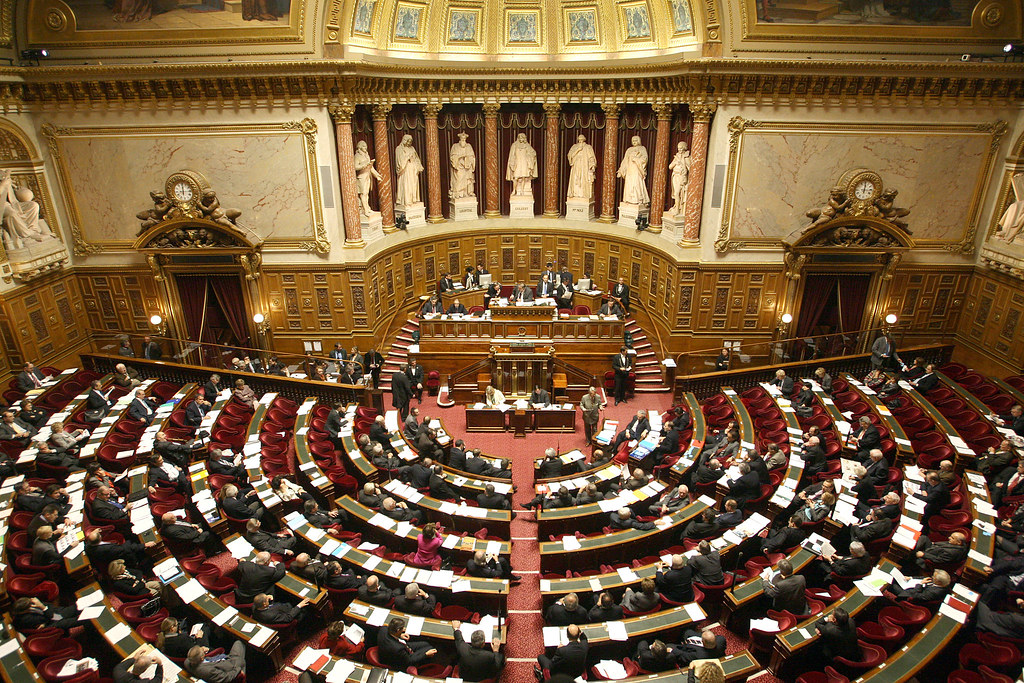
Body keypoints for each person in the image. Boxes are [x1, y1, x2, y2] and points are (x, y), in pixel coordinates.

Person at [617, 135, 649, 205]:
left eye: (636, 140)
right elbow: (625, 160)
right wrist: (621, 170)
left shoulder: (642, 149)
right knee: (629, 184)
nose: (634, 142)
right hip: (630, 170)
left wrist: (636, 159)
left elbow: (645, 159)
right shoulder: (629, 150)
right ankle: (629, 199)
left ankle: (638, 199)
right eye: (633, 141)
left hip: (637, 169)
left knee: (636, 183)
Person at [395, 134, 424, 209]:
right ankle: (407, 200)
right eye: (408, 141)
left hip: (413, 169)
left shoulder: (412, 148)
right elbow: (399, 161)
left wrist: (418, 166)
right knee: (407, 184)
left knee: (414, 184)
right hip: (405, 170)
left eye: (410, 141)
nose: (409, 143)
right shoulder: (399, 149)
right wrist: (408, 157)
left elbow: (416, 158)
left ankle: (414, 199)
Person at [567, 134, 597, 201]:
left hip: (584, 166)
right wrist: (578, 150)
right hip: (576, 165)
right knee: (575, 179)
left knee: (583, 179)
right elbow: (570, 155)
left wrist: (592, 165)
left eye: (582, 140)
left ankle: (583, 194)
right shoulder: (574, 146)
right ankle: (574, 193)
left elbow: (591, 157)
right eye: (579, 140)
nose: (580, 141)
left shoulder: (588, 147)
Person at [449, 132, 476, 200]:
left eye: (464, 139)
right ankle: (458, 192)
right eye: (462, 139)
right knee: (459, 178)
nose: (463, 141)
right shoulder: (455, 146)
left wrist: (469, 160)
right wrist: (459, 157)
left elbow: (472, 156)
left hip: (467, 166)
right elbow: (452, 156)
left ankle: (468, 192)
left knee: (468, 180)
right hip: (459, 166)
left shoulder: (469, 146)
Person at [669, 140, 691, 215]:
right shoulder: (677, 156)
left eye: (681, 149)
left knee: (678, 192)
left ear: (684, 148)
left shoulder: (686, 157)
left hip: (681, 177)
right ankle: (676, 207)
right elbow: (670, 166)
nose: (680, 150)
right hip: (675, 176)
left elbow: (690, 168)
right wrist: (675, 162)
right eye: (679, 149)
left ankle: (678, 209)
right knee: (676, 193)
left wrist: (683, 164)